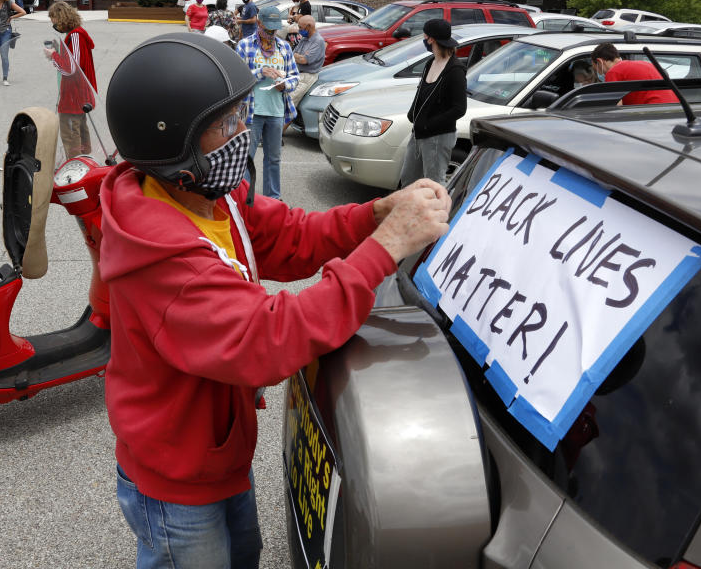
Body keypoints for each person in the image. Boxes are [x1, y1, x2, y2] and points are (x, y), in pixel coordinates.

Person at [101, 31, 452, 569]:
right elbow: (267, 339)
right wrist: (386, 248)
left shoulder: (210, 197)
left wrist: (371, 217)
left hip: (215, 455)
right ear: (175, 145)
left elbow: (290, 235)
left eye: (242, 114)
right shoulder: (164, 260)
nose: (244, 131)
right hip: (177, 476)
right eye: (226, 124)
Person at [236, 5, 299, 200]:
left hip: (276, 111)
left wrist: (285, 85)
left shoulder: (284, 47)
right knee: (247, 159)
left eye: (274, 29)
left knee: (274, 159)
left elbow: (295, 77)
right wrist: (259, 72)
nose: (271, 33)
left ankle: (273, 199)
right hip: (252, 112)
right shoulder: (245, 46)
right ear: (259, 23)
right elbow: (237, 79)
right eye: (268, 28)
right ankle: (246, 199)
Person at [401, 18, 467, 187]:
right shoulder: (431, 62)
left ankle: (439, 213)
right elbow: (422, 92)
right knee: (408, 180)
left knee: (433, 185)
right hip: (418, 133)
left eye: (425, 36)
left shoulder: (455, 70)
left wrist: (428, 125)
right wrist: (413, 115)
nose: (423, 39)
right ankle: (412, 213)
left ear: (431, 39)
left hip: (438, 137)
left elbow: (459, 109)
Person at [45, 1, 97, 158]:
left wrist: (53, 55)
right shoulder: (77, 34)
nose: (53, 23)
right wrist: (59, 51)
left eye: (53, 19)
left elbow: (71, 69)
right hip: (79, 93)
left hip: (74, 94)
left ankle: (75, 163)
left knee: (70, 132)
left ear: (60, 18)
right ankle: (85, 160)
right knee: (80, 127)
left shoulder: (75, 36)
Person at [590, 43, 678, 105]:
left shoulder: (613, 72)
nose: (598, 73)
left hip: (653, 111)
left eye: (596, 69)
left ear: (600, 62)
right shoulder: (643, 64)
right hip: (673, 107)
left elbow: (616, 106)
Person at [289, 15, 325, 107]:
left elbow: (303, 60)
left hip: (307, 76)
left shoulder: (318, 41)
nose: (299, 29)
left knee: (289, 102)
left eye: (300, 27)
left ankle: (286, 121)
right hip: (297, 73)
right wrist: (297, 56)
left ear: (309, 26)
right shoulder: (304, 39)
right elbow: (292, 54)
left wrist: (297, 57)